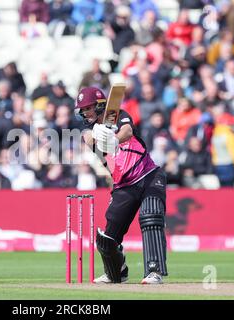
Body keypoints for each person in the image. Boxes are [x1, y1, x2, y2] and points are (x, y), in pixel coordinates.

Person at [75, 86, 167, 284]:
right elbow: (90, 140)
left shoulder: (118, 116)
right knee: (107, 240)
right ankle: (117, 272)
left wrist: (114, 139)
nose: (84, 113)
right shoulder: (90, 133)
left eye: (88, 108)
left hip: (148, 175)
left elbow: (127, 130)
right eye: (82, 110)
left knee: (150, 216)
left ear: (100, 106)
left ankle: (154, 271)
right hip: (124, 185)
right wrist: (101, 140)